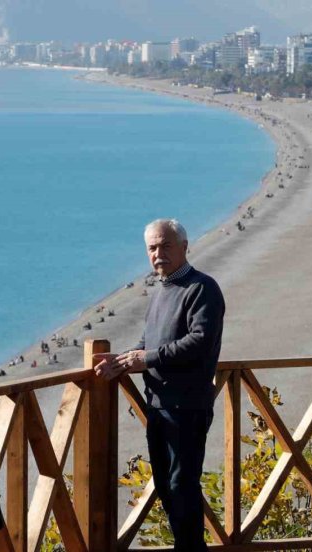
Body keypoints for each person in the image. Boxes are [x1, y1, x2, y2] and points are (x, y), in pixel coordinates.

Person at [93, 218, 225, 552]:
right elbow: (147, 343)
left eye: (165, 245)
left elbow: (199, 341)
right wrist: (121, 359)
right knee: (167, 488)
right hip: (159, 406)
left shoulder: (201, 287)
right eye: (152, 247)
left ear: (184, 246)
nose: (158, 253)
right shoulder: (162, 288)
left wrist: (147, 359)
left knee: (182, 486)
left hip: (187, 406)